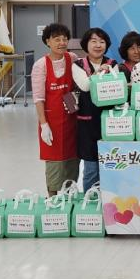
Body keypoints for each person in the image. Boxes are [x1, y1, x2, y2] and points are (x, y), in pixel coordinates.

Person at [31, 23, 79, 196]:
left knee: (73, 159)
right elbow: (38, 98)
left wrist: (74, 100)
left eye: (65, 39)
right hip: (51, 120)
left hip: (72, 118)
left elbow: (78, 84)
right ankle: (53, 199)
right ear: (47, 41)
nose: (62, 43)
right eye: (57, 39)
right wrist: (44, 124)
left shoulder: (72, 58)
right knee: (54, 162)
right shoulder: (41, 65)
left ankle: (70, 197)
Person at [72, 28, 118, 191]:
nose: (98, 45)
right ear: (86, 44)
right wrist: (99, 73)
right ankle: (90, 200)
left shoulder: (113, 64)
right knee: (91, 168)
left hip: (109, 120)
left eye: (102, 42)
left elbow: (115, 88)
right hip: (87, 122)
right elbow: (85, 86)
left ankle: (108, 199)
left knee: (111, 165)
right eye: (94, 41)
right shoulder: (77, 65)